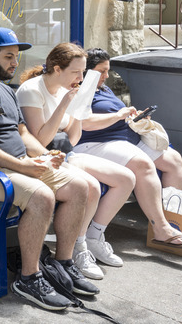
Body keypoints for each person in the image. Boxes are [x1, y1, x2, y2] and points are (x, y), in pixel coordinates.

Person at [0, 27, 99, 312]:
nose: (16, 63)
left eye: (16, 57)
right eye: (8, 56)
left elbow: (23, 133)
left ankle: (63, 264)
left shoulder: (5, 90)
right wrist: (23, 165)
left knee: (80, 186)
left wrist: (45, 154)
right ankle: (29, 277)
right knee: (42, 196)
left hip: (15, 165)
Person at [16, 43, 136, 280]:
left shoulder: (64, 89)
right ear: (57, 69)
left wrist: (79, 108)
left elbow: (73, 138)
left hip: (65, 153)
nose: (80, 78)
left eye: (83, 73)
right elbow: (39, 140)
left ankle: (93, 237)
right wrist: (65, 104)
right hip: (42, 155)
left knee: (126, 178)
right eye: (76, 72)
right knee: (89, 186)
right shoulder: (32, 90)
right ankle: (78, 248)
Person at [74, 47, 182, 248]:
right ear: (87, 71)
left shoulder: (103, 88)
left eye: (107, 70)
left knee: (174, 160)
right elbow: (84, 122)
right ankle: (161, 228)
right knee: (142, 164)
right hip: (98, 142)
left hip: (126, 137)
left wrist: (134, 116)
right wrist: (119, 115)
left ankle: (180, 220)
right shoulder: (79, 90)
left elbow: (117, 112)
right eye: (101, 71)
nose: (106, 75)